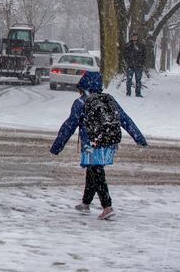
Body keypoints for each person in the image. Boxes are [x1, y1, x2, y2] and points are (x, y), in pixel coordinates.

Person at [50, 71, 147, 220]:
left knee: (96, 172)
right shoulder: (108, 100)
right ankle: (85, 203)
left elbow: (69, 126)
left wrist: (57, 146)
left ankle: (107, 206)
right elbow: (125, 119)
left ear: (83, 86)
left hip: (91, 143)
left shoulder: (81, 103)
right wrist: (139, 138)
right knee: (93, 170)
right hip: (109, 142)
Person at [124, 33, 146, 97]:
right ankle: (128, 93)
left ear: (137, 37)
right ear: (131, 37)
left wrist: (141, 63)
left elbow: (144, 55)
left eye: (135, 37)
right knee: (129, 80)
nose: (134, 38)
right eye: (133, 37)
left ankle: (138, 93)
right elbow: (125, 55)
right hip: (130, 66)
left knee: (138, 80)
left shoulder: (141, 45)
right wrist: (128, 61)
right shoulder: (128, 45)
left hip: (138, 66)